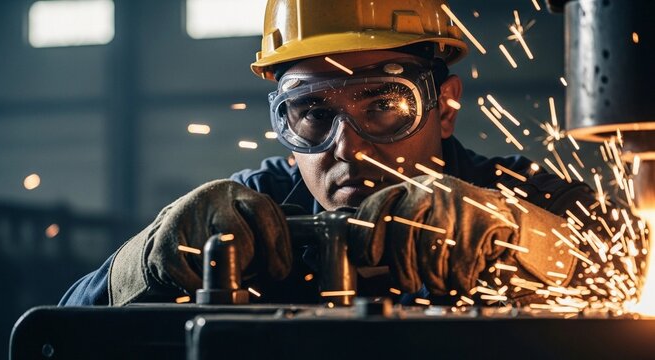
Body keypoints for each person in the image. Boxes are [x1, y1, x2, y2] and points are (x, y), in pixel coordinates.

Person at [60, 0, 630, 307]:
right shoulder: (246, 212)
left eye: (383, 104)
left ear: (445, 106)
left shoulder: (516, 198)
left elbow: (634, 269)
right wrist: (147, 259)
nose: (347, 147)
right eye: (311, 113)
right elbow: (59, 330)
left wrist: (523, 239)